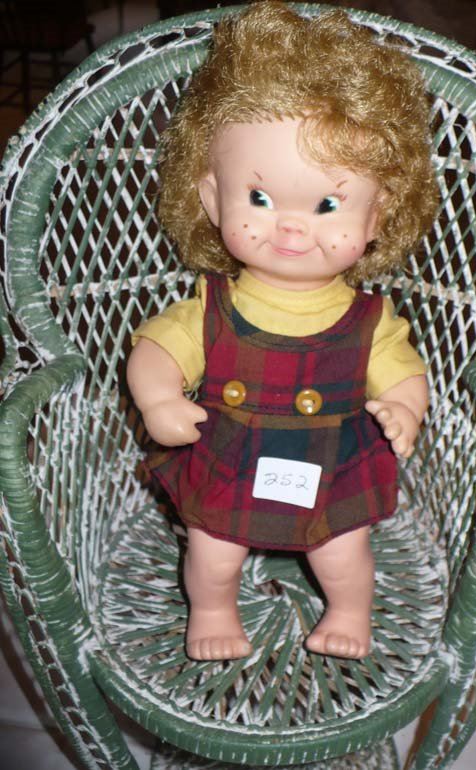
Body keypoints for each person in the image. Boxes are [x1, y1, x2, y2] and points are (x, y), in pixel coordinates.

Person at [127, 0, 438, 661]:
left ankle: (349, 611)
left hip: (331, 469)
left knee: (343, 553)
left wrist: (404, 408)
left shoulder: (370, 321)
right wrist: (158, 399)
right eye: (260, 199)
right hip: (229, 461)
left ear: (377, 217)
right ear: (212, 198)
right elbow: (156, 350)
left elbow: (405, 373)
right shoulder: (210, 308)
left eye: (328, 205)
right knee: (212, 551)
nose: (292, 226)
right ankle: (213, 611)